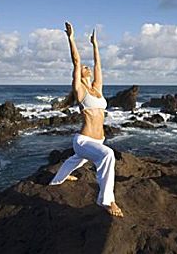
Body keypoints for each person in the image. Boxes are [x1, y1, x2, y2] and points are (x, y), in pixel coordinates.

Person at [48, 21, 124, 218]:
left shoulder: (97, 89)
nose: (86, 67)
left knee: (76, 160)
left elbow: (99, 65)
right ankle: (106, 200)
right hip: (84, 140)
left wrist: (95, 44)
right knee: (107, 156)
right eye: (84, 67)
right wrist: (71, 38)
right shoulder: (80, 90)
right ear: (79, 74)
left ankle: (57, 180)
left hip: (97, 140)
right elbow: (75, 60)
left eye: (86, 66)